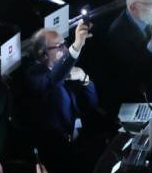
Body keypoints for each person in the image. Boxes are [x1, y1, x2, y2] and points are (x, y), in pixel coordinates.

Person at [14, 21, 99, 150]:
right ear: (43, 54)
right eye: (59, 46)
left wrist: (84, 78)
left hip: (83, 134)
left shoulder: (66, 66)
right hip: (60, 148)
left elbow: (92, 104)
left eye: (65, 44)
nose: (65, 49)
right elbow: (53, 79)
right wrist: (76, 47)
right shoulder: (34, 76)